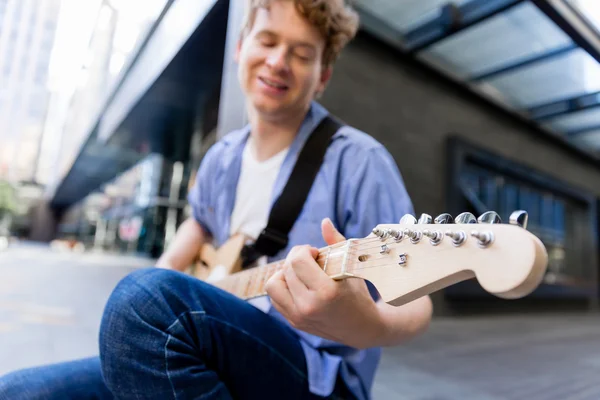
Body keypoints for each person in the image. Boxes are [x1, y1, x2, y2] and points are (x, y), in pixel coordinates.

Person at [0, 1, 433, 399]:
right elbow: (199, 222)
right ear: (241, 47)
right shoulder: (221, 157)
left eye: (302, 54)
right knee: (18, 390)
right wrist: (167, 274)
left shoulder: (360, 161)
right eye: (267, 42)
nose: (278, 61)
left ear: (322, 76)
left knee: (145, 301)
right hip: (213, 341)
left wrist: (364, 324)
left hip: (316, 377)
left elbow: (419, 300)